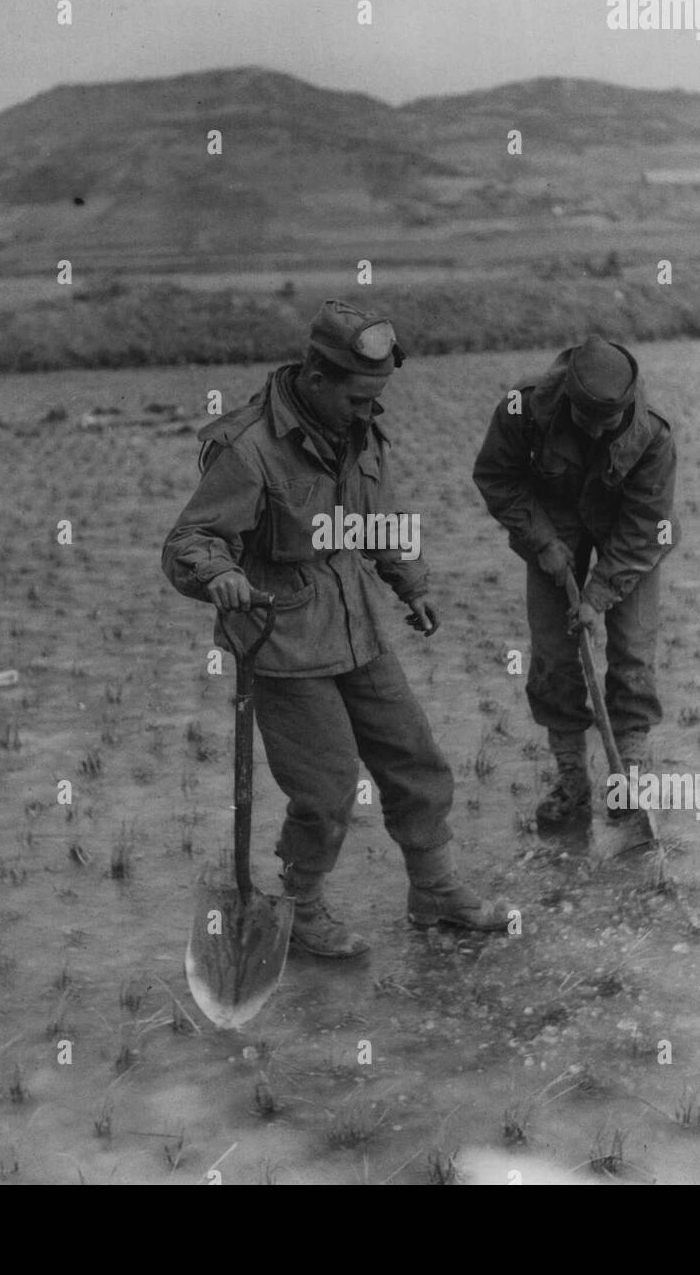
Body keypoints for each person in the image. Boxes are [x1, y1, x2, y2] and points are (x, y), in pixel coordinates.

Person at [163, 300, 510, 956]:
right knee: (324, 789)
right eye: (357, 398)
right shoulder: (247, 449)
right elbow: (192, 538)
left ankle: (434, 890)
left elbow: (376, 518)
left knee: (416, 761)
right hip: (281, 640)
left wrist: (411, 582)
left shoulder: (356, 429)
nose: (367, 412)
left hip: (356, 627)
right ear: (316, 377)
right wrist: (218, 576)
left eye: (374, 399)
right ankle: (300, 908)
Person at [472, 334, 678, 851]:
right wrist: (542, 542)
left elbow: (645, 525)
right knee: (553, 657)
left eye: (606, 424)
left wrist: (598, 595)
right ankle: (570, 780)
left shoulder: (651, 435)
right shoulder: (522, 410)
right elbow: (497, 477)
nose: (596, 430)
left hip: (626, 540)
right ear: (568, 400)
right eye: (585, 420)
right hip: (552, 529)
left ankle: (629, 774)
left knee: (632, 653)